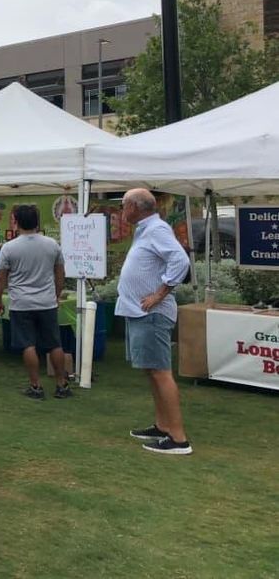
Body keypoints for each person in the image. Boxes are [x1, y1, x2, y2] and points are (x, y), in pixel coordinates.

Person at [117, 188, 192, 455]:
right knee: (152, 370)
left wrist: (160, 294)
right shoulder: (146, 229)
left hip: (152, 314)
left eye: (124, 205)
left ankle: (178, 438)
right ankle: (163, 426)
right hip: (140, 312)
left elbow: (181, 261)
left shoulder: (156, 229)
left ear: (136, 207)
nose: (122, 210)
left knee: (161, 372)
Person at [0, 204, 73, 400]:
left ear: (16, 222)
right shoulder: (52, 244)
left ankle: (35, 385)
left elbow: (0, 278)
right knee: (55, 344)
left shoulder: (9, 247)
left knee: (27, 344)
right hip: (46, 301)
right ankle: (62, 384)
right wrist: (56, 293)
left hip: (21, 303)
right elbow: (60, 273)